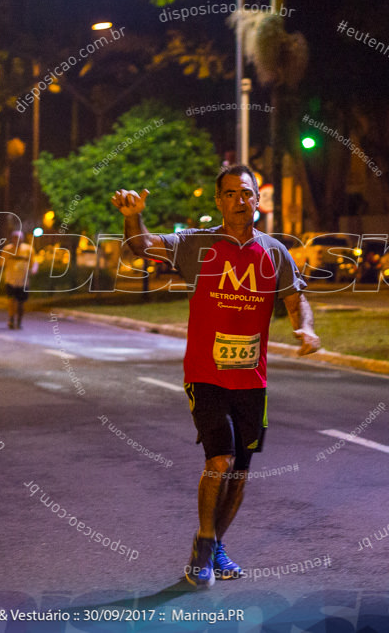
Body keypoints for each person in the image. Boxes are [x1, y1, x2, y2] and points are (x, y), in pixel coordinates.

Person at [111, 165, 321, 588]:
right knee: (219, 460)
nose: (239, 200)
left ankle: (217, 543)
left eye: (246, 193)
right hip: (205, 373)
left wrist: (307, 328)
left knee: (240, 471)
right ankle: (204, 546)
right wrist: (132, 215)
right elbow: (143, 247)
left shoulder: (274, 251)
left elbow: (296, 298)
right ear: (218, 201)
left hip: (252, 379)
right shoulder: (197, 245)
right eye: (230, 194)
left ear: (257, 200)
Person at [0, 230, 34, 329]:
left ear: (22, 239)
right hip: (10, 280)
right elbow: (1, 264)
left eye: (18, 238)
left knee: (21, 303)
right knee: (11, 301)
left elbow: (33, 263)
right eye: (15, 238)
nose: (17, 240)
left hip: (23, 281)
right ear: (12, 239)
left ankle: (19, 321)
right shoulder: (7, 249)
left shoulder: (28, 249)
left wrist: (33, 270)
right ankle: (11, 319)